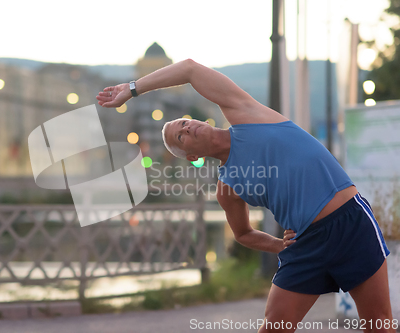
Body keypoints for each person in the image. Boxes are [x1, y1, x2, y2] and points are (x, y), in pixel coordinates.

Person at [96, 59, 394, 333]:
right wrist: (279, 245)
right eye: (180, 135)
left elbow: (189, 69)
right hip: (306, 246)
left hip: (350, 224)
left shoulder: (248, 116)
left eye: (184, 122)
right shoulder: (227, 187)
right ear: (191, 155)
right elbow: (243, 233)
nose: (188, 127)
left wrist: (132, 89)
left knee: (379, 327)